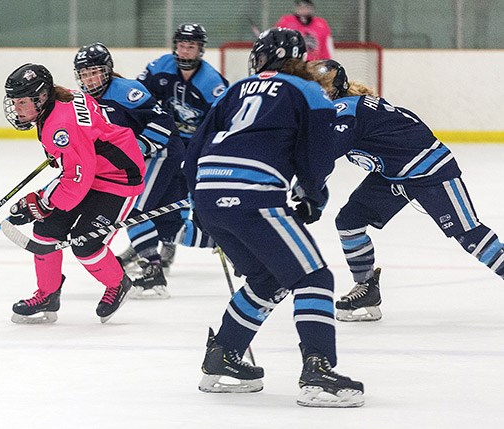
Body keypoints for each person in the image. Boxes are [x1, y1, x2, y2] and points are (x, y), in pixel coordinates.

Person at [184, 28, 364, 407]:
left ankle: (224, 356)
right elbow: (316, 156)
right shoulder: (308, 91)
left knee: (268, 278)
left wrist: (199, 204)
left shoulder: (235, 89)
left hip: (208, 194)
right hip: (254, 197)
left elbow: (194, 151)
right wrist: (313, 197)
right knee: (314, 276)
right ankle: (318, 370)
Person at [311, 59, 504, 322]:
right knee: (350, 221)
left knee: (470, 236)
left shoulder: (346, 108)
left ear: (336, 89)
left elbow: (326, 152)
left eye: (320, 88)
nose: (314, 93)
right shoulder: (341, 108)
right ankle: (366, 287)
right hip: (394, 175)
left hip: (430, 170)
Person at [3, 63, 146, 324]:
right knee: (46, 231)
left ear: (41, 97)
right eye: (14, 102)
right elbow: (79, 165)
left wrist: (44, 201)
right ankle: (47, 294)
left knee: (85, 243)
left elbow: (77, 177)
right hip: (91, 171)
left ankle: (118, 283)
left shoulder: (60, 126)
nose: (16, 109)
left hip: (119, 178)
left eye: (21, 102)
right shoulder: (60, 99)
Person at [73, 42, 186, 299]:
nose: (90, 79)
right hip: (145, 158)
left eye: (95, 72)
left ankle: (153, 273)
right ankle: (230, 244)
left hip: (162, 152)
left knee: (133, 211)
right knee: (169, 225)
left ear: (108, 70)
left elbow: (163, 121)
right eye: (85, 74)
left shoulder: (126, 90)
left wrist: (142, 145)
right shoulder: (86, 101)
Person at [122, 23, 227, 274]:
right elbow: (138, 97)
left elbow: (222, 124)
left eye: (190, 46)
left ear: (200, 50)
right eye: (180, 45)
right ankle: (144, 245)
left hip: (196, 150)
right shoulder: (161, 67)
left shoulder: (212, 83)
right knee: (151, 199)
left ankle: (168, 245)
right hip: (166, 144)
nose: (184, 51)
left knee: (175, 200)